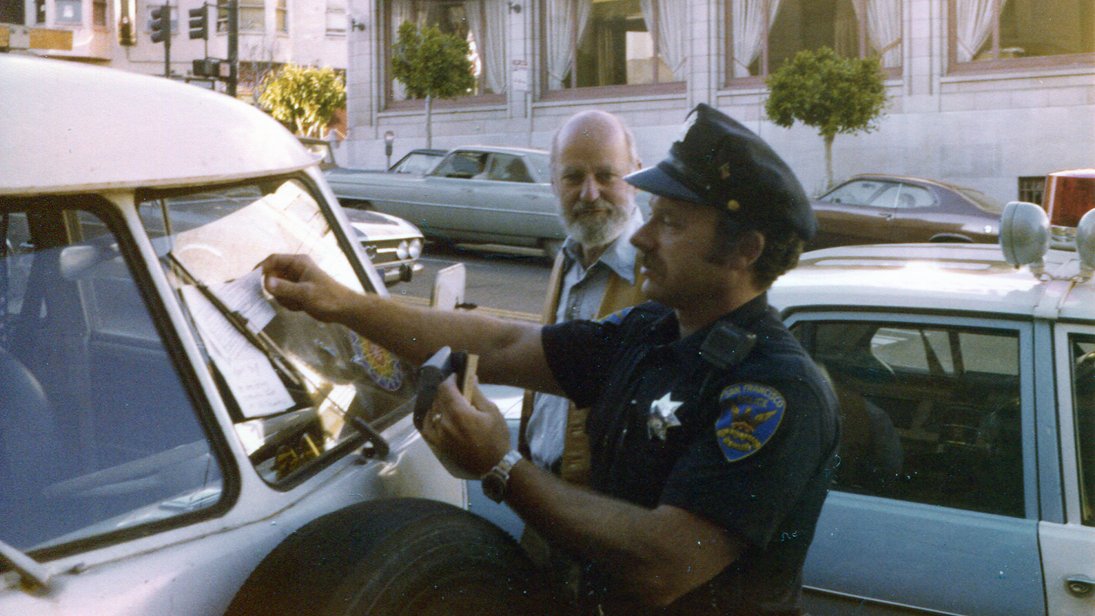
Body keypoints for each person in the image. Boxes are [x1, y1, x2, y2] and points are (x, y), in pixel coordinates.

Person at [261, 103, 840, 615]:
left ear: (745, 251)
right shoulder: (653, 329)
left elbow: (664, 564)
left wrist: (501, 467)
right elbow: (503, 344)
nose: (642, 238)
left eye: (671, 223)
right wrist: (340, 303)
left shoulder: (775, 390)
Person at [522, 110, 646, 481]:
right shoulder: (568, 256)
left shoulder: (659, 270)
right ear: (553, 183)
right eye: (574, 177)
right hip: (544, 489)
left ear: (636, 175)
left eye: (606, 175)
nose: (590, 194)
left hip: (603, 512)